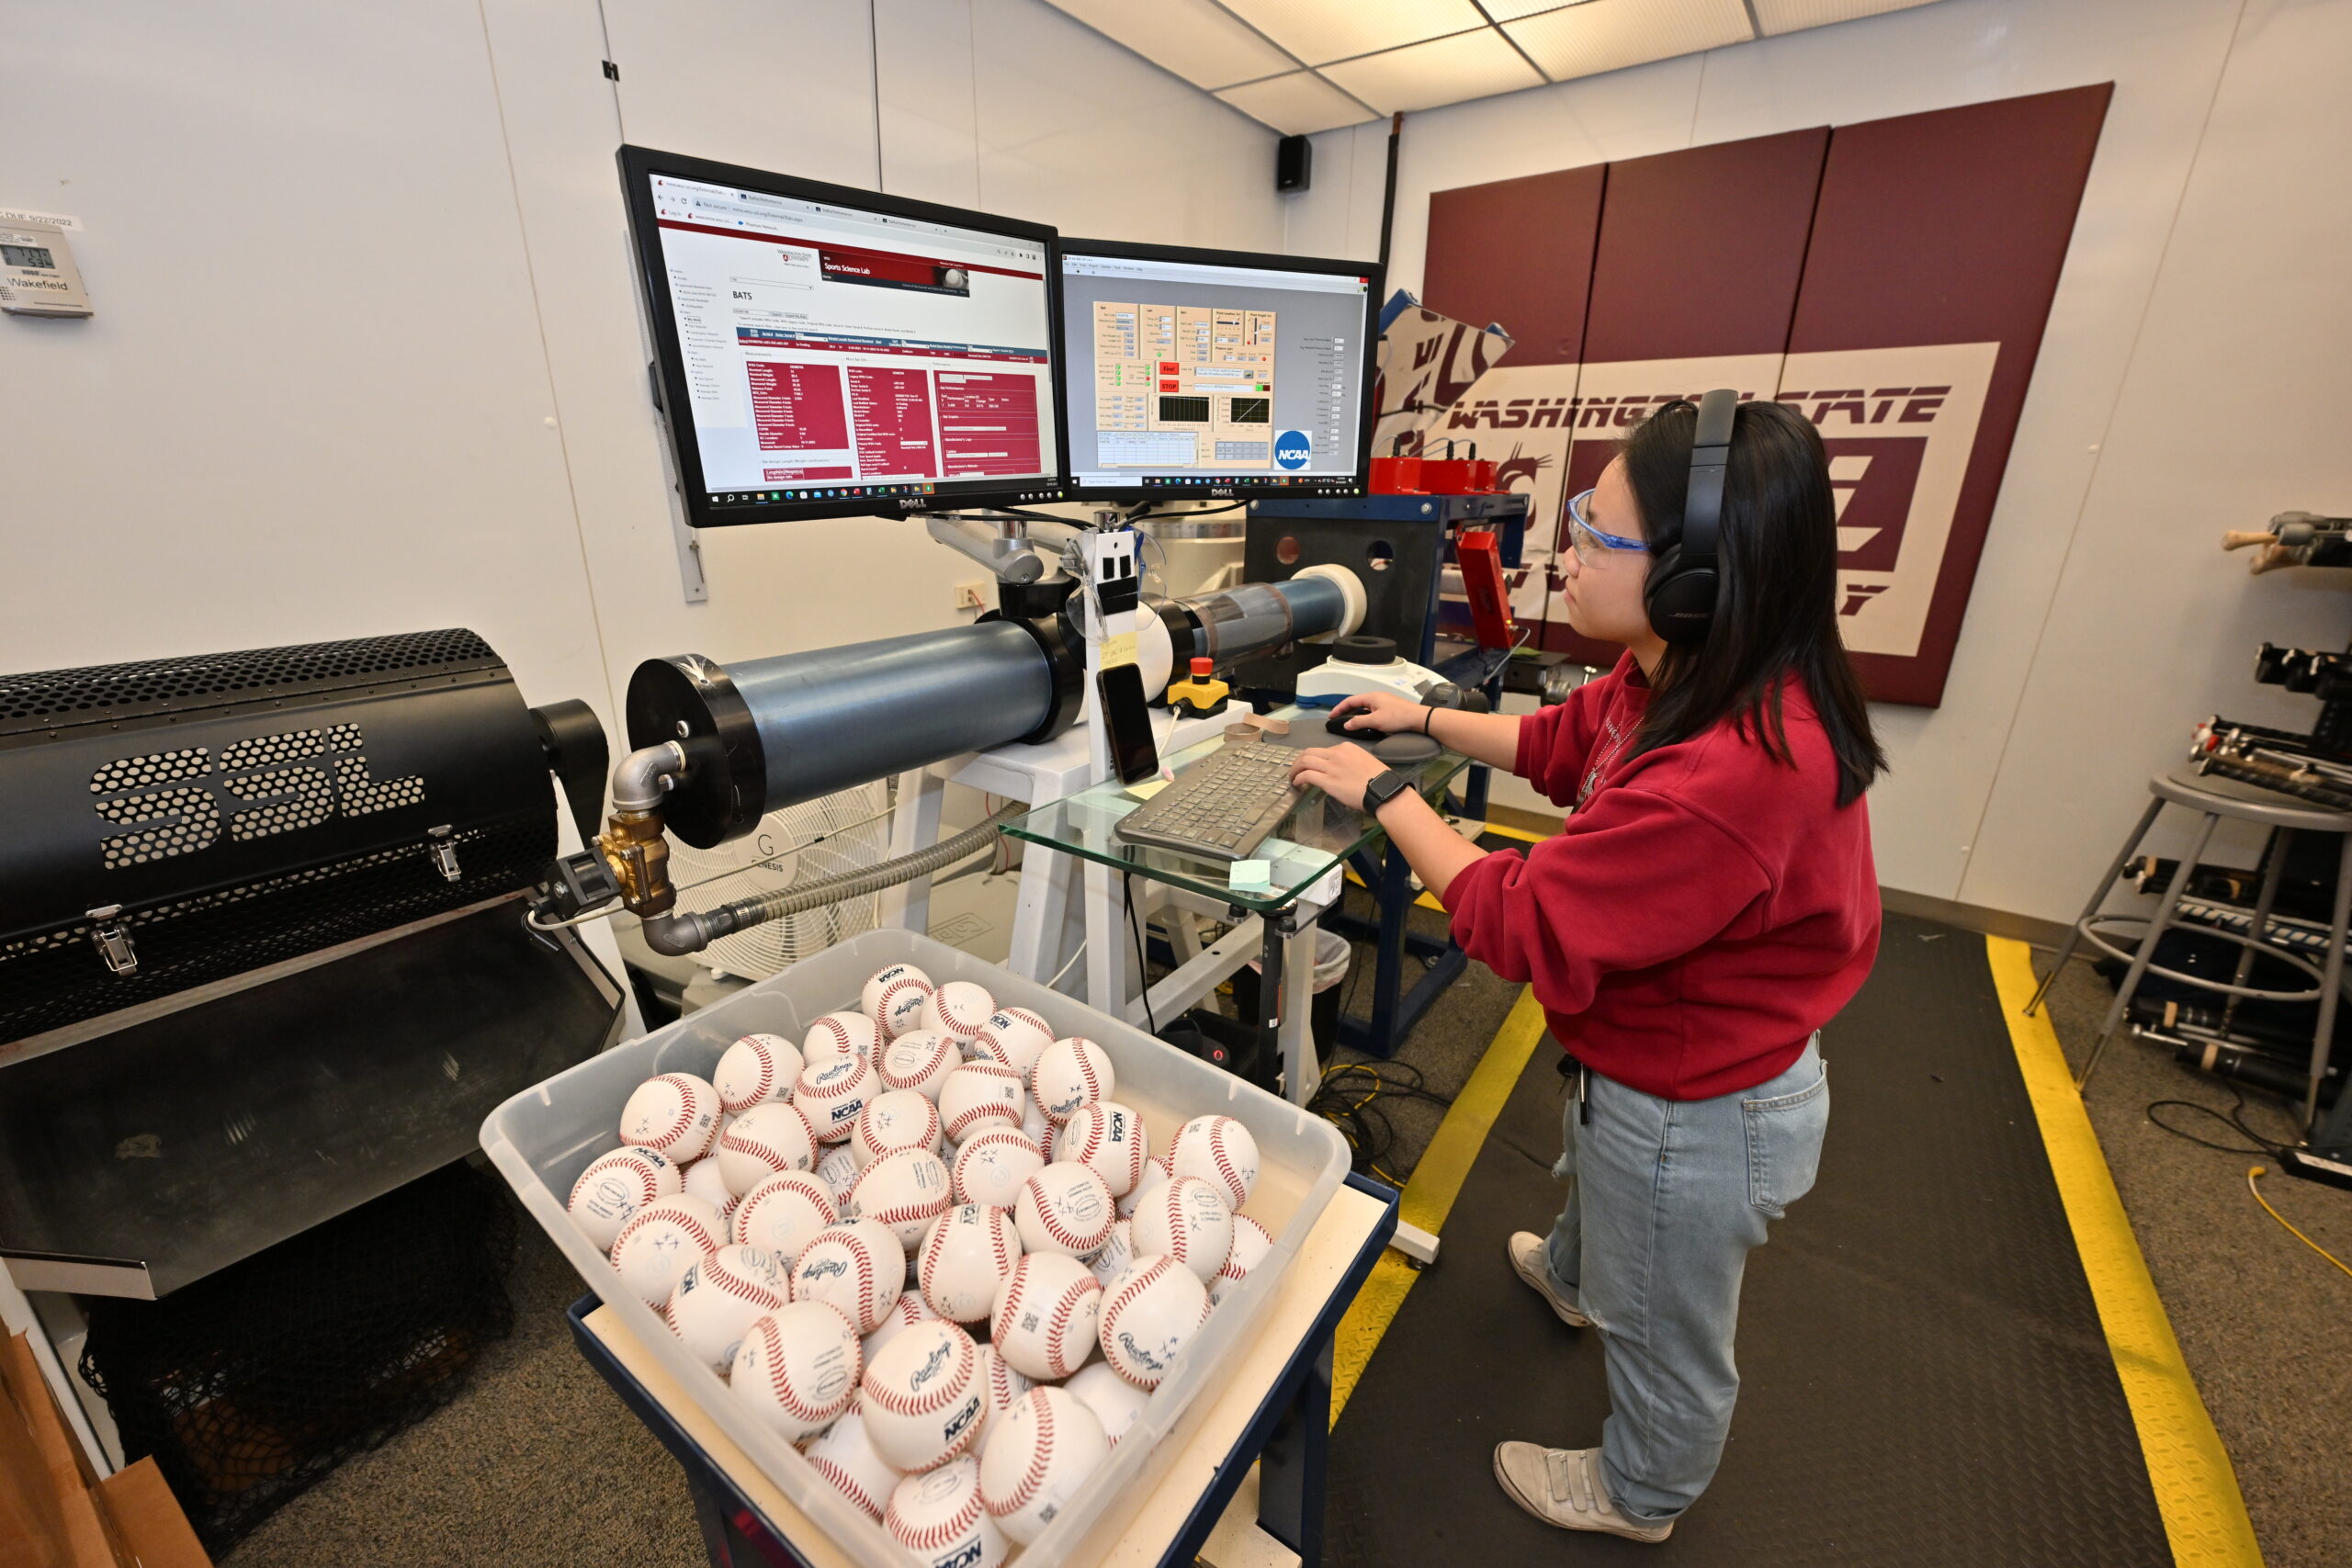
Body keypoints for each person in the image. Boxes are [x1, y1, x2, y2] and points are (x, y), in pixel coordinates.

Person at [1288, 396, 1884, 1542]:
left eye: (1594, 534)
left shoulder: (1740, 766)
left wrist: (1383, 793)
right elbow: (1567, 745)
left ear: (1691, 577)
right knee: (1604, 1180)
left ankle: (1641, 1491)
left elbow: (1521, 920)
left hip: (1698, 1111)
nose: (1564, 551)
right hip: (1647, 1063)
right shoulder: (1685, 672)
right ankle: (1576, 1274)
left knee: (1664, 1321)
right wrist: (1430, 718)